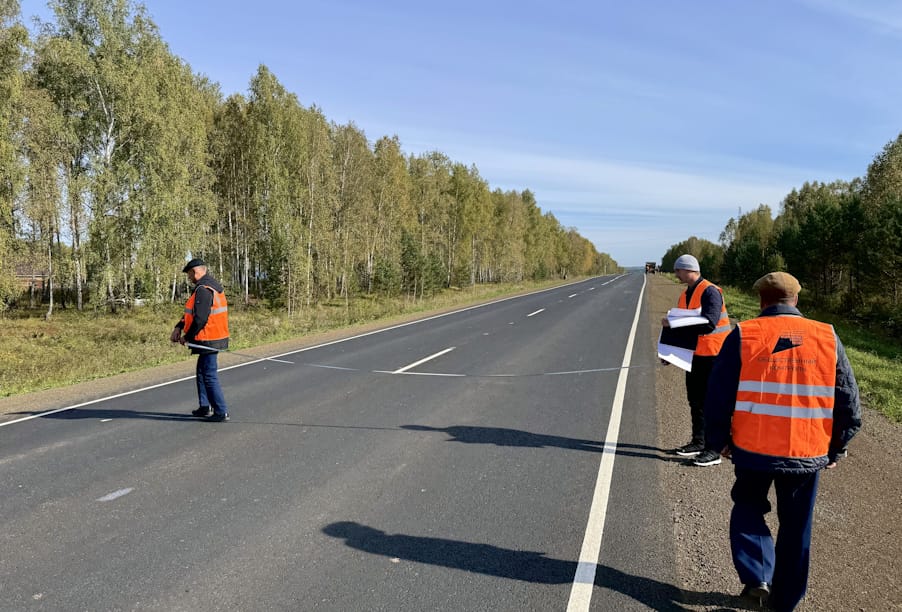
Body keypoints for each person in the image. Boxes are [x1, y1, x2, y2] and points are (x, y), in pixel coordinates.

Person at [704, 272, 861, 611]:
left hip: (752, 449)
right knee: (796, 527)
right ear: (796, 300)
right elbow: (848, 399)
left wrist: (719, 441)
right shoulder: (826, 336)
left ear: (762, 301)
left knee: (747, 507)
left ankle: (758, 576)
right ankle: (784, 602)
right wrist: (838, 446)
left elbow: (717, 395)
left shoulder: (744, 334)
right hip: (806, 452)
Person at [661, 254, 731, 466]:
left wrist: (674, 326)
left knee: (711, 403)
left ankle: (714, 450)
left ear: (688, 269)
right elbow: (681, 324)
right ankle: (699, 442)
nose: (676, 274)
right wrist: (670, 351)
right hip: (694, 355)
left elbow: (709, 323)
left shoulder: (710, 291)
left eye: (677, 271)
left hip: (714, 355)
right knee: (696, 400)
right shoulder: (685, 293)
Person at [170, 258, 231, 422]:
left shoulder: (204, 289)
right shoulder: (207, 286)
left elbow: (200, 318)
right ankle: (205, 406)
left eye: (189, 274)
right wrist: (179, 326)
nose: (189, 277)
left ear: (196, 272)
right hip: (212, 337)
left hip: (209, 338)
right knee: (202, 371)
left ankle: (221, 411)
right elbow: (191, 313)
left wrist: (187, 337)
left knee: (209, 374)